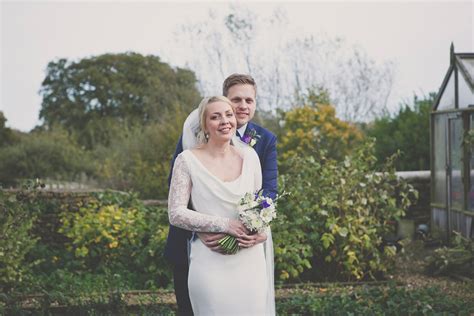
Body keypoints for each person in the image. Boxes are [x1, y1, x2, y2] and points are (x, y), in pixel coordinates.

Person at [164, 74, 278, 315]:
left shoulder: (258, 147)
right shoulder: (189, 154)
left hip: (248, 255)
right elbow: (176, 197)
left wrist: (259, 232)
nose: (242, 107)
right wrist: (206, 229)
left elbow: (266, 195)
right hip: (203, 249)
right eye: (236, 100)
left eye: (249, 100)